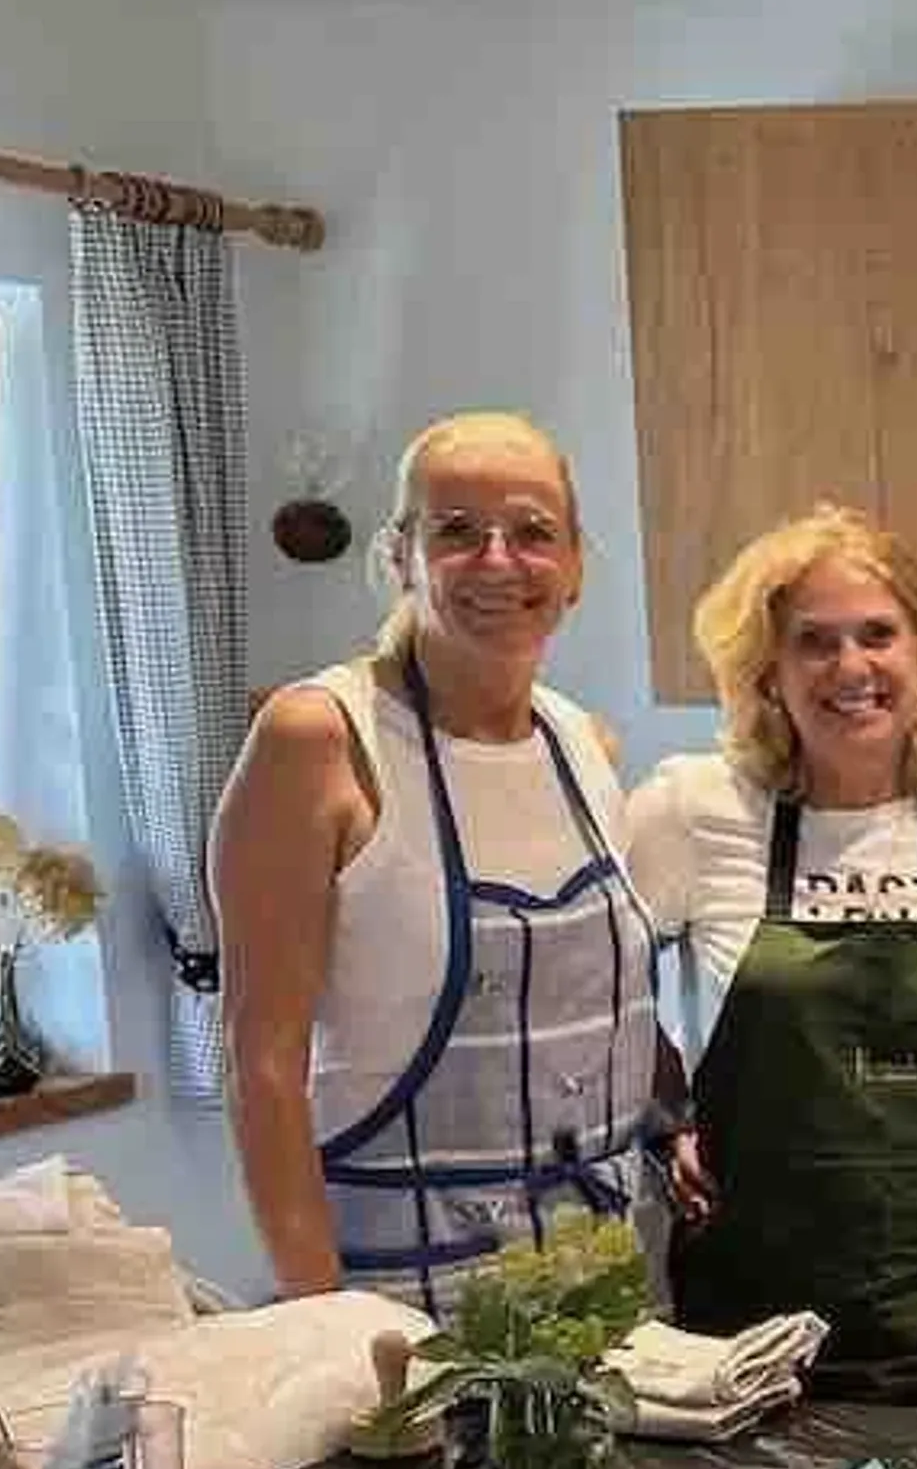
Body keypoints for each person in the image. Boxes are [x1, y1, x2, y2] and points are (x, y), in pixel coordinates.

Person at [211, 411, 660, 1311]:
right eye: (456, 530)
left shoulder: (588, 748)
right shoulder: (321, 738)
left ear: (574, 569)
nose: (498, 560)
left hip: (602, 1280)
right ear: (399, 556)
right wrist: (324, 1323)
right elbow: (261, 1063)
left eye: (534, 533)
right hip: (398, 1300)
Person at [625, 505, 917, 1401]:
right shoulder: (695, 807)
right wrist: (664, 1115)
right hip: (750, 1320)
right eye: (814, 642)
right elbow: (588, 985)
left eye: (878, 635)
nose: (851, 667)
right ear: (767, 672)